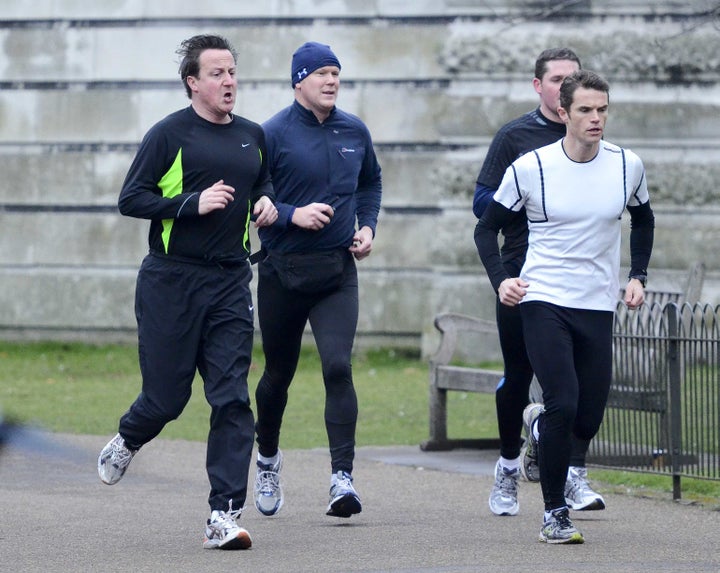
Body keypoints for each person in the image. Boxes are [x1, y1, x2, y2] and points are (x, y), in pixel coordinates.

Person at [97, 34, 278, 550]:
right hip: (170, 281)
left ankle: (223, 515)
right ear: (192, 83)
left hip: (230, 282)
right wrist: (190, 204)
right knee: (167, 398)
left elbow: (262, 184)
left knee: (232, 398)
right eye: (217, 74)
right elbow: (131, 198)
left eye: (233, 72)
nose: (229, 82)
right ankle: (130, 436)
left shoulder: (252, 135)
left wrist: (265, 203)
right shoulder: (169, 134)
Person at [474, 69, 654, 543]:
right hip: (544, 298)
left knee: (587, 416)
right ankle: (554, 513)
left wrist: (637, 275)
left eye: (603, 110)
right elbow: (484, 229)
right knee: (564, 401)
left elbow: (644, 217)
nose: (597, 119)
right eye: (586, 110)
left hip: (597, 303)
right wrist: (502, 281)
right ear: (563, 112)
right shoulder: (530, 167)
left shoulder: (626, 164)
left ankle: (541, 427)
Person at [474, 48, 607, 517]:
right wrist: (526, 194)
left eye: (574, 79)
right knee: (519, 377)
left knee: (575, 390)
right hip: (522, 274)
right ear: (539, 86)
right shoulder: (516, 137)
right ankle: (509, 465)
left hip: (578, 281)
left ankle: (572, 472)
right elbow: (482, 205)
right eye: (556, 80)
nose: (566, 87)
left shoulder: (595, 140)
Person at [251, 41, 382, 519]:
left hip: (336, 274)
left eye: (336, 74)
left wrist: (367, 226)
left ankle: (341, 480)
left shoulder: (354, 130)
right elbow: (254, 199)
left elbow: (371, 183)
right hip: (283, 272)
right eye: (322, 73)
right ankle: (267, 459)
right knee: (277, 375)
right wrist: (292, 214)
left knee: (337, 367)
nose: (331, 81)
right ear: (298, 80)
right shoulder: (271, 134)